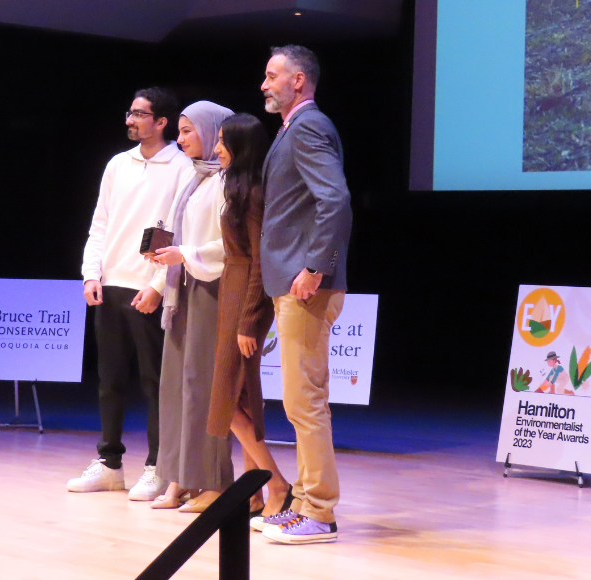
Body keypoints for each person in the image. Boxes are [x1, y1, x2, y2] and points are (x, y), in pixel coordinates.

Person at [70, 88, 191, 501]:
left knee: (154, 381)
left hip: (150, 287)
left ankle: (158, 465)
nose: (130, 120)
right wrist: (91, 274)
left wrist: (158, 286)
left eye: (140, 114)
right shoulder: (118, 165)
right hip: (112, 282)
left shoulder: (181, 167)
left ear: (162, 122)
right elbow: (100, 222)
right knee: (109, 380)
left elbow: (182, 231)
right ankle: (109, 464)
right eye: (130, 112)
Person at [255, 45, 353, 545]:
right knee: (300, 400)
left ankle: (319, 512)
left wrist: (315, 266)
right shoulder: (293, 128)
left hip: (306, 284)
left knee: (305, 402)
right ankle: (305, 504)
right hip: (293, 282)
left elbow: (334, 199)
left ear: (298, 80)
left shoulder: (310, 125)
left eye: (271, 76)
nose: (263, 84)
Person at [205, 113, 294, 525]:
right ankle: (255, 492)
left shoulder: (255, 193)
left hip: (247, 297)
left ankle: (276, 482)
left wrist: (249, 320)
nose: (217, 148)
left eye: (224, 142)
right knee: (234, 399)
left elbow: (261, 262)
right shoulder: (238, 188)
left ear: (242, 147)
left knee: (228, 400)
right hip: (232, 289)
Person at [147, 101, 235, 513]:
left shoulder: (229, 182)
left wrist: (184, 254)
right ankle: (178, 477)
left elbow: (231, 248)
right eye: (180, 131)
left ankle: (213, 480)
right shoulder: (196, 179)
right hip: (182, 290)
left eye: (188, 131)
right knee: (175, 387)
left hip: (210, 291)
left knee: (203, 389)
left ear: (214, 130)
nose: (180, 140)